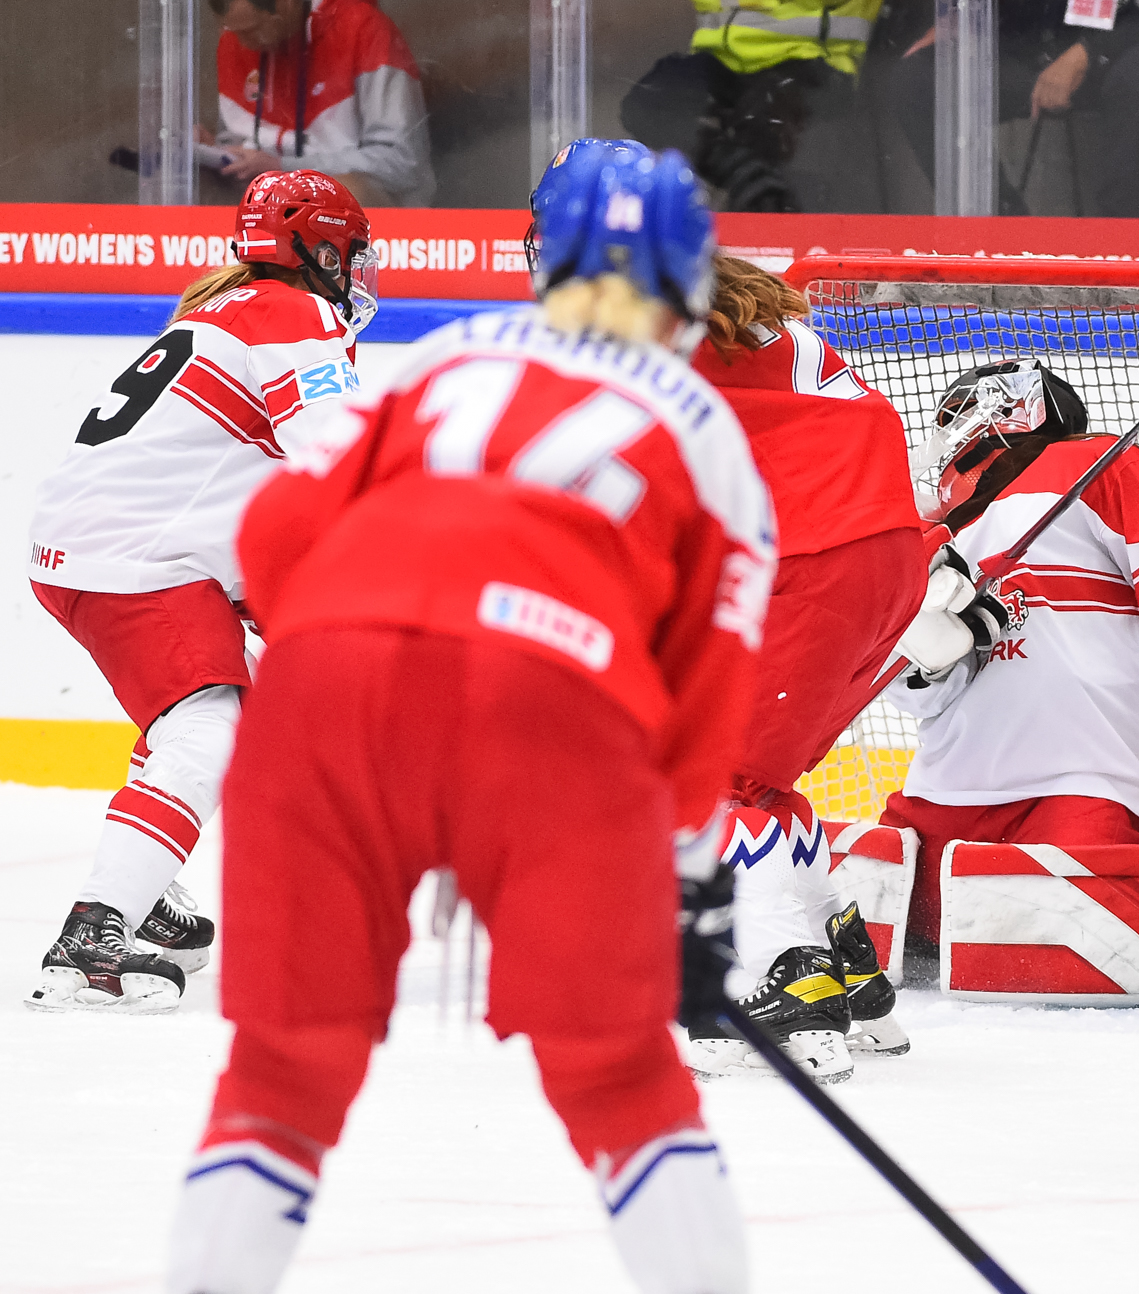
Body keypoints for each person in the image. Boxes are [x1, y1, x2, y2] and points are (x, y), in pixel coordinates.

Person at [160, 149, 771, 1294]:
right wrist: (683, 875)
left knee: (279, 1074)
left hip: (325, 685)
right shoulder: (705, 430)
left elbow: (281, 528)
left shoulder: (434, 359)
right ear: (690, 272)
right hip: (556, 703)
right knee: (623, 1078)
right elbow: (709, 679)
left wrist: (358, 662)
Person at [24, 170, 377, 1014]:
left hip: (119, 548)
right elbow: (342, 468)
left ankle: (146, 891)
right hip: (140, 560)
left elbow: (241, 482)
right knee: (209, 728)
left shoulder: (226, 309)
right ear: (320, 249)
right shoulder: (298, 316)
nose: (357, 273)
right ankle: (90, 942)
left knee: (207, 711)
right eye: (351, 253)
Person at [880, 358, 1139, 951]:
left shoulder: (1093, 468)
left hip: (1087, 790)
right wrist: (930, 656)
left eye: (958, 415)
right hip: (942, 799)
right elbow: (921, 694)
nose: (944, 436)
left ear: (1012, 412)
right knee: (850, 935)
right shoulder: (932, 535)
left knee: (1041, 949)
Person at [683, 255, 927, 1082]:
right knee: (761, 775)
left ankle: (780, 979)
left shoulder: (646, 321)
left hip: (815, 557)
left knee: (715, 773)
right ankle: (848, 962)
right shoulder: (762, 322)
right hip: (887, 563)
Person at [888, 0, 1139, 218]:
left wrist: (1088, 52)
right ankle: (1004, 240)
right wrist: (962, 15)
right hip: (1033, 47)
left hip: (1130, 49)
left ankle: (1124, 250)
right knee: (918, 79)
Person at [619, 1, 884, 212]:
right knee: (648, 102)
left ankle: (770, 208)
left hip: (812, 62)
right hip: (724, 61)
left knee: (761, 121)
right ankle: (748, 177)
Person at [207, 0, 436, 207]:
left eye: (252, 31)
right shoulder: (234, 40)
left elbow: (403, 162)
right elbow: (240, 147)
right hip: (269, 202)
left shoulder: (364, 30)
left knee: (344, 192)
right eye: (232, 30)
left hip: (365, 220)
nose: (243, 43)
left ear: (287, 5)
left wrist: (283, 166)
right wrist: (213, 152)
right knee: (189, 185)